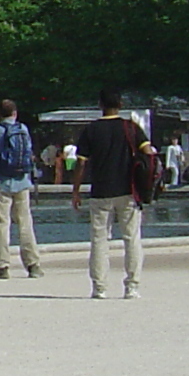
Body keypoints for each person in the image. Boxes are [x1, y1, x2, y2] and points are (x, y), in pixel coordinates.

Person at [70, 91, 157, 300]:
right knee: (132, 238)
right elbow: (149, 152)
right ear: (120, 104)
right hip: (128, 190)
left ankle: (99, 288)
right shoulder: (131, 127)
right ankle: (132, 286)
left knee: (99, 240)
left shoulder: (91, 130)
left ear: (100, 104)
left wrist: (76, 190)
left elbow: (81, 162)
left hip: (101, 190)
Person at [0, 99, 43, 279]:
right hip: (22, 180)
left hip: (1, 182)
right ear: (15, 113)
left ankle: (2, 265)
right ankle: (33, 264)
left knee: (1, 224)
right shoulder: (23, 129)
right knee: (25, 223)